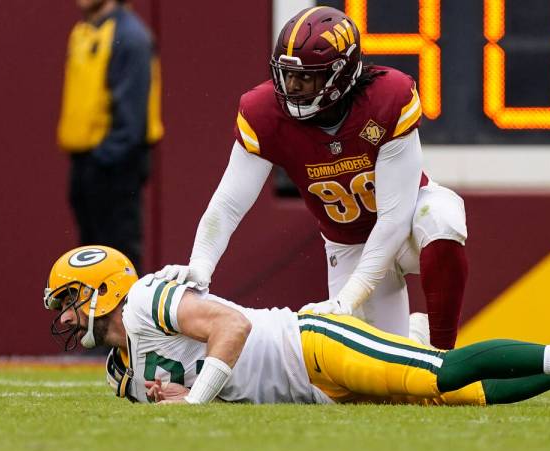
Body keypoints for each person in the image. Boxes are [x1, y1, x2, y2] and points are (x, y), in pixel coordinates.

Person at [154, 6, 466, 349]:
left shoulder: (388, 98)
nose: (293, 86)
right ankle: (413, 339)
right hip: (348, 243)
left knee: (441, 220)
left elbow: (393, 219)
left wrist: (349, 298)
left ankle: (442, 352)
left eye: (306, 76)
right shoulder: (264, 113)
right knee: (375, 380)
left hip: (405, 226)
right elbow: (228, 204)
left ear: (342, 73)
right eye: (286, 75)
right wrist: (201, 265)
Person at [44, 245, 550, 407]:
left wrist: (194, 401)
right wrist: (188, 396)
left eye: (70, 301)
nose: (67, 318)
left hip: (310, 347)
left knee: (440, 373)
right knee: (456, 396)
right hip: (312, 390)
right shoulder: (121, 372)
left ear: (102, 290)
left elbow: (230, 327)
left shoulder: (146, 301)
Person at [56, 0, 163, 272]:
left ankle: (127, 315)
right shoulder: (84, 31)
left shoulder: (130, 37)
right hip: (86, 165)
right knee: (88, 263)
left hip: (115, 169)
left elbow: (131, 123)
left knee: (119, 262)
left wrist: (102, 160)